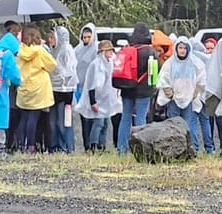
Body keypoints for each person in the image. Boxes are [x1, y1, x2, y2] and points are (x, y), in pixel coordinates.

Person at [114, 22, 158, 154]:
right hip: (143, 91)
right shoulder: (150, 52)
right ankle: (140, 149)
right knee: (140, 117)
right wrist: (153, 89)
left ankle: (122, 149)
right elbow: (153, 76)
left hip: (126, 88)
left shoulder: (126, 49)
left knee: (125, 117)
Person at [157, 39, 206, 150]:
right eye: (180, 48)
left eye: (185, 48)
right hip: (174, 99)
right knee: (173, 125)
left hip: (189, 100)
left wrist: (196, 91)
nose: (182, 51)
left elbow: (202, 78)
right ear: (176, 48)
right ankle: (174, 149)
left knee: (188, 126)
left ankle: (192, 149)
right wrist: (169, 92)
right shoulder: (170, 63)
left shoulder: (195, 63)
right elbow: (163, 79)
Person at [15, 27, 57, 153]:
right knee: (33, 117)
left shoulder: (20, 50)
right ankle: (31, 146)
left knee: (24, 117)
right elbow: (53, 65)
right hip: (38, 88)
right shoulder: (40, 51)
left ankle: (21, 144)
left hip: (24, 87)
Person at [81, 40, 121, 151]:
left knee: (105, 124)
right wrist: (93, 101)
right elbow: (91, 85)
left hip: (106, 99)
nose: (111, 53)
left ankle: (101, 145)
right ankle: (93, 144)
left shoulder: (109, 64)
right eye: (108, 51)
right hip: (98, 99)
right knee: (98, 123)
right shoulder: (96, 65)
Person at [47, 27, 78, 153]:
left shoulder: (67, 50)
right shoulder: (52, 51)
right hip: (53, 89)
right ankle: (55, 146)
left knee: (63, 122)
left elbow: (70, 70)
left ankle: (67, 146)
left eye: (52, 37)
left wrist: (58, 72)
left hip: (65, 91)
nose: (50, 40)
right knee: (52, 122)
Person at [74, 24, 99, 149]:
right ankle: (86, 145)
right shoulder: (77, 50)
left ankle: (95, 143)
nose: (86, 40)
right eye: (84, 37)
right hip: (80, 88)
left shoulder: (96, 50)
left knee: (95, 118)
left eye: (89, 37)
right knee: (84, 117)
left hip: (93, 89)